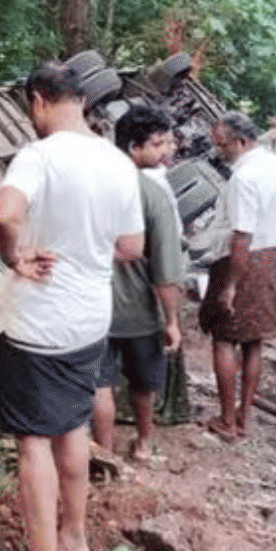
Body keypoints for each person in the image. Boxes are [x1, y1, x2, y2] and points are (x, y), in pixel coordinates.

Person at [0, 62, 144, 551]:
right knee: (72, 426)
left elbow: (2, 214)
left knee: (33, 441)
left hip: (41, 323)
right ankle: (74, 541)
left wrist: (16, 255)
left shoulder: (40, 156)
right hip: (90, 320)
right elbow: (131, 246)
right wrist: (87, 250)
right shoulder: (117, 161)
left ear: (38, 100)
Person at [92, 105, 186, 462]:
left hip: (93, 304)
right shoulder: (152, 194)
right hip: (139, 310)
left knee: (100, 384)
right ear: (134, 146)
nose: (165, 152)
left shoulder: (92, 184)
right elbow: (167, 268)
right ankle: (144, 443)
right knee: (143, 382)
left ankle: (103, 454)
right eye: (157, 144)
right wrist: (172, 320)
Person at [199, 112, 276, 441]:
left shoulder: (243, 178)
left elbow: (242, 236)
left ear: (240, 141)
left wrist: (230, 285)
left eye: (221, 144)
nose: (218, 150)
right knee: (254, 341)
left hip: (240, 261)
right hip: (271, 257)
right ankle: (244, 417)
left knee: (223, 337)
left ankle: (226, 420)